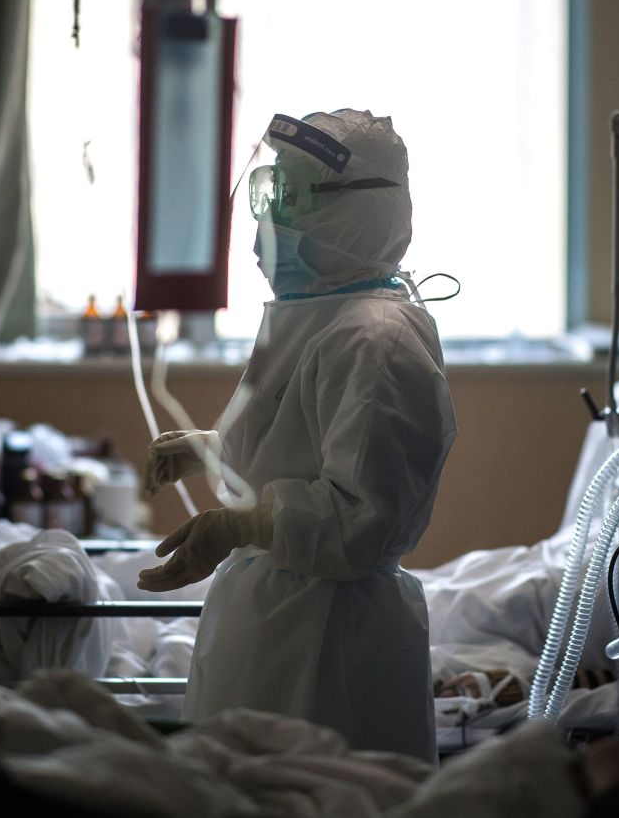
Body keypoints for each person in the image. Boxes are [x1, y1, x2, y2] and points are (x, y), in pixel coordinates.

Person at [137, 109, 457, 762]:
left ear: (361, 212)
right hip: (282, 618)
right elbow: (300, 437)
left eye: (292, 196)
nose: (270, 217)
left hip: (327, 642)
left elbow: (360, 516)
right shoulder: (329, 316)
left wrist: (238, 525)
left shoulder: (374, 340)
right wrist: (214, 448)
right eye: (269, 191)